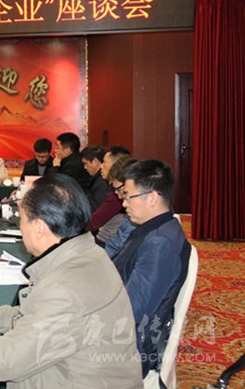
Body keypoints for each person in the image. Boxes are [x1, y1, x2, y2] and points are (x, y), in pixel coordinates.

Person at [0, 173, 141, 388]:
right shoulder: (88, 255)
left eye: (21, 220)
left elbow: (3, 363)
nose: (21, 228)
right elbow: (30, 317)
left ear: (39, 227)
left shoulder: (64, 289)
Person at [106, 159, 190, 377]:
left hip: (127, 349)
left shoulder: (160, 243)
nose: (124, 204)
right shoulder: (153, 228)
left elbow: (131, 311)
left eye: (128, 196)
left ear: (152, 198)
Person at [87, 146, 133, 242]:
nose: (101, 166)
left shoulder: (116, 194)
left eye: (104, 162)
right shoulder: (110, 187)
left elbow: (94, 221)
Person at [80, 144, 108, 212]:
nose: (85, 167)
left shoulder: (102, 183)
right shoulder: (98, 180)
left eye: (86, 163)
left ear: (95, 161)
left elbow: (95, 209)